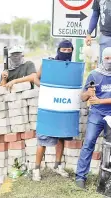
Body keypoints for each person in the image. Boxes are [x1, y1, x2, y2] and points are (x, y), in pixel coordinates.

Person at [75, 47, 111, 189]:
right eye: (107, 58)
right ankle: (80, 178)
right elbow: (83, 97)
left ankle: (110, 178)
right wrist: (88, 93)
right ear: (102, 59)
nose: (110, 61)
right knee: (88, 144)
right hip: (96, 114)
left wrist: (100, 100)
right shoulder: (94, 74)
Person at [32, 40, 74, 181]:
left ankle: (57, 165)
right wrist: (45, 87)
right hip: (49, 107)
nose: (66, 52)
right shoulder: (49, 64)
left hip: (63, 108)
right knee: (43, 139)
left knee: (61, 137)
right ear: (58, 50)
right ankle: (36, 169)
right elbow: (35, 78)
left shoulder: (72, 67)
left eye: (69, 50)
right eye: (64, 49)